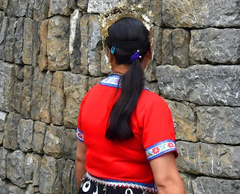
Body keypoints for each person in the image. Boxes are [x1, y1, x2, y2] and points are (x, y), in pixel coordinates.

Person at [74, 16, 184, 194]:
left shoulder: (90, 98)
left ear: (110, 54)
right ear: (148, 54)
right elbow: (167, 182)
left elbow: (81, 159)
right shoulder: (152, 106)